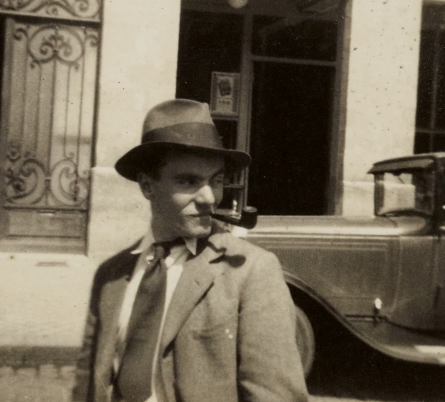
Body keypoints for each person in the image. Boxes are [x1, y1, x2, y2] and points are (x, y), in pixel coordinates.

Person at [76, 99, 309, 402]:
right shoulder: (110, 276)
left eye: (217, 181)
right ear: (148, 186)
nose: (209, 197)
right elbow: (85, 386)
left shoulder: (250, 270)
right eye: (188, 181)